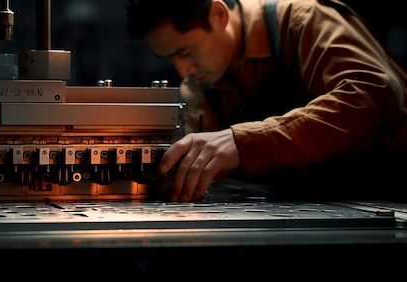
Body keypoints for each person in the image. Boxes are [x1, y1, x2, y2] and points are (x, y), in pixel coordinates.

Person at [126, 0, 407, 202]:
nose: (183, 71)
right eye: (170, 59)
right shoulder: (200, 90)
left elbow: (375, 95)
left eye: (186, 52)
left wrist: (244, 142)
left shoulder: (303, 20)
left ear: (218, 14)